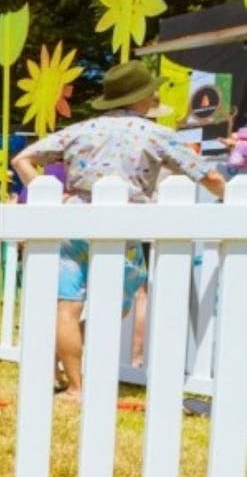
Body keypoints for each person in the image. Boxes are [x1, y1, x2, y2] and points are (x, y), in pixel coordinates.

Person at [11, 60, 228, 403]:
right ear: (141, 97)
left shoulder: (80, 131)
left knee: (67, 307)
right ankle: (83, 377)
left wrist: (47, 192)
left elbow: (21, 158)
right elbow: (208, 176)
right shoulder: (155, 134)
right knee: (114, 308)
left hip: (74, 223)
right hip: (125, 227)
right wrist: (231, 201)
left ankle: (75, 387)